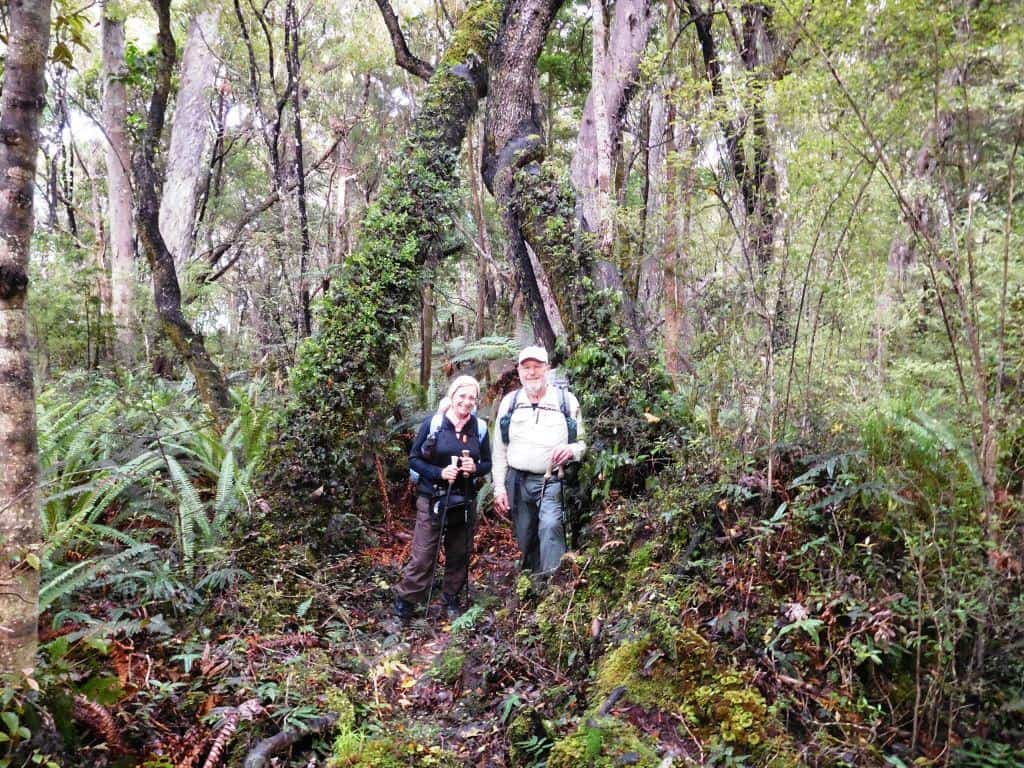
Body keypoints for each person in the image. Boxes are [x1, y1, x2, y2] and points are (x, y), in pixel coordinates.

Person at [394, 375, 491, 620]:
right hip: (433, 500)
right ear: (452, 396)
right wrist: (439, 473)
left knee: (460, 553)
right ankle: (405, 606)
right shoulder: (434, 424)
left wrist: (474, 468)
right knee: (424, 555)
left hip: (464, 501)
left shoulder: (478, 428)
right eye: (462, 396)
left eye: (472, 397)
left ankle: (451, 601)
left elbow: (487, 463)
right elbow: (414, 459)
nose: (467, 402)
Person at [493, 346, 586, 574]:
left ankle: (554, 586)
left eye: (537, 367)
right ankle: (534, 581)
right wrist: (498, 487)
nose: (532, 373)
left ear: (547, 369)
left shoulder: (566, 401)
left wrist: (572, 451)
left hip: (552, 479)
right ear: (519, 371)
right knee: (526, 535)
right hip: (516, 481)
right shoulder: (510, 402)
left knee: (551, 526)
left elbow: (583, 442)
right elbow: (499, 449)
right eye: (526, 368)